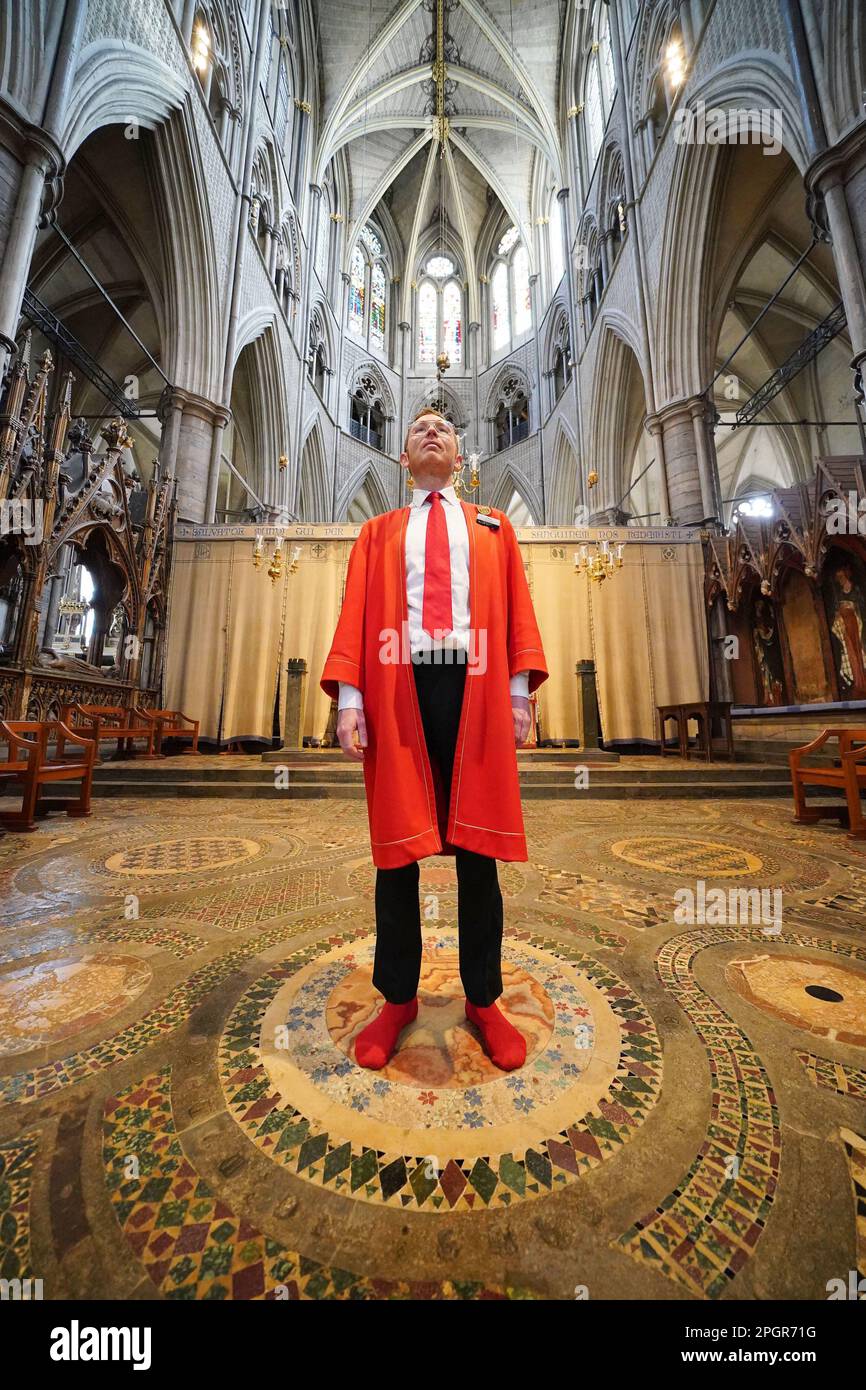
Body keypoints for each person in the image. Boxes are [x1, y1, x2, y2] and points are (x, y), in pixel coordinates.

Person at [320, 408, 548, 1072]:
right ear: (402, 456)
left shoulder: (494, 526)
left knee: (479, 850)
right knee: (396, 854)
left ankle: (483, 999)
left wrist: (516, 693)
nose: (431, 430)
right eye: (419, 424)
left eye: (444, 426)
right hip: (397, 687)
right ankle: (397, 1000)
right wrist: (351, 703)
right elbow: (357, 617)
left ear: (459, 455)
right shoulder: (376, 533)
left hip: (475, 689)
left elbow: (517, 610)